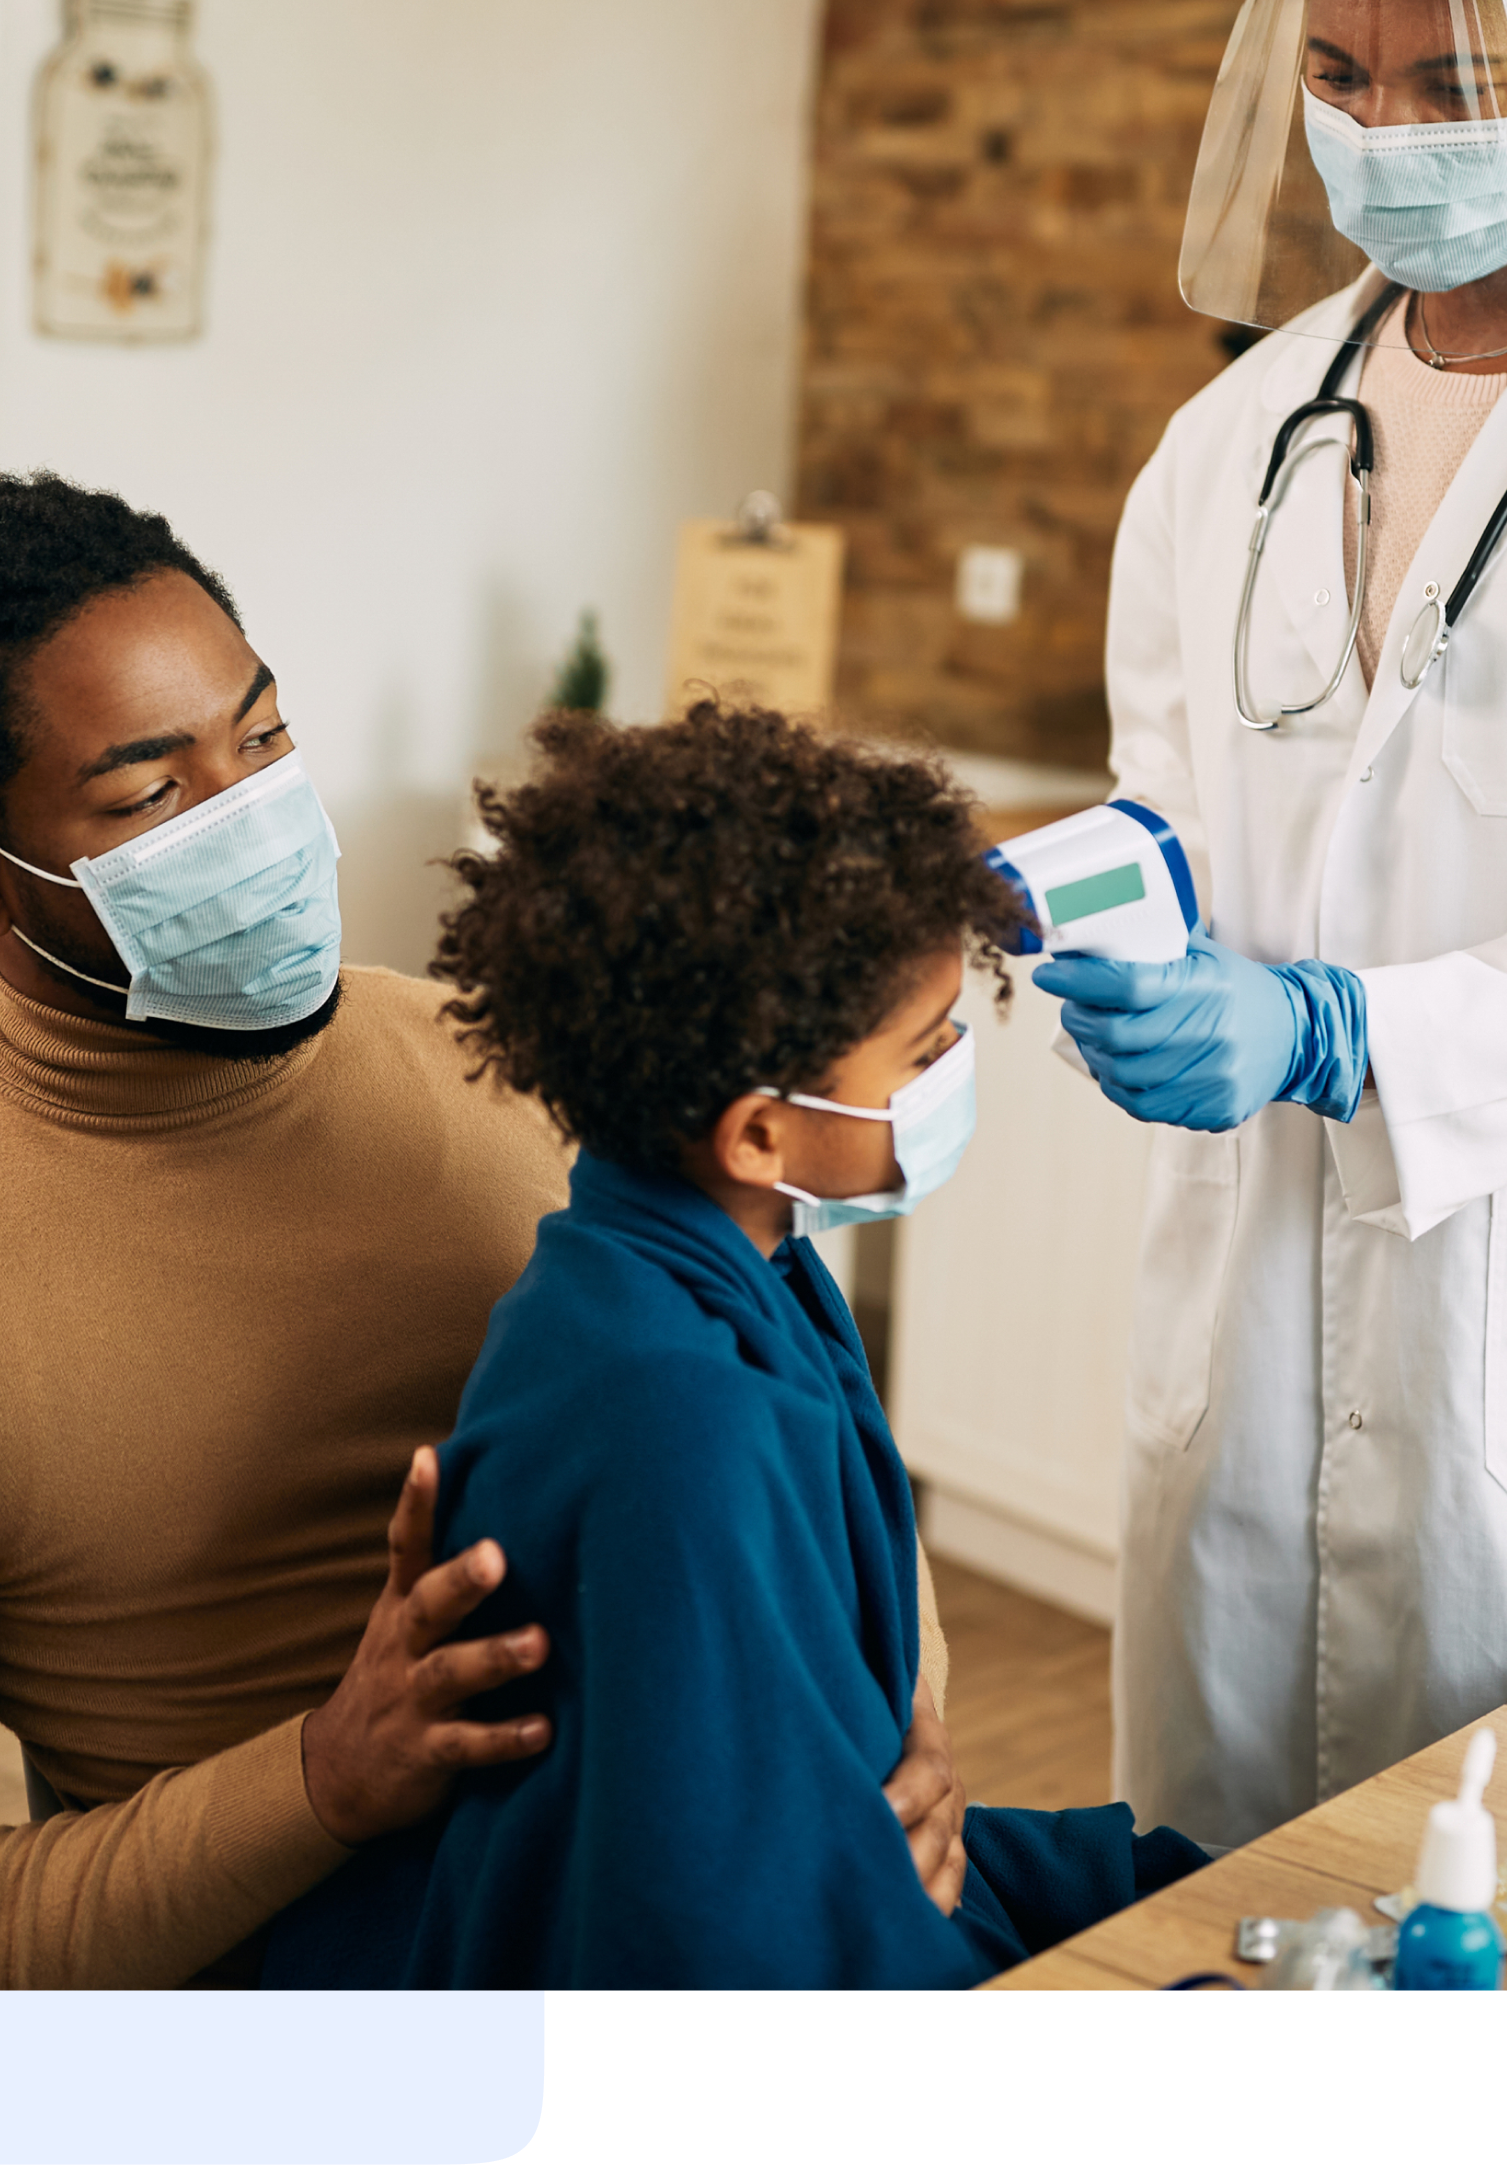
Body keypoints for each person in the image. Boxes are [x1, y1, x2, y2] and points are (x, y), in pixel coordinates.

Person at [0, 473, 962, 1985]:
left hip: (737, 1886)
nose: (255, 820)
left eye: (266, 738)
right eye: (153, 795)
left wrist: (900, 1724)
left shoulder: (521, 1062)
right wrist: (319, 1778)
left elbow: (788, 1409)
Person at [1034, 0, 1507, 1847]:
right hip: (1238, 1360)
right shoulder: (1227, 442)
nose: (1379, 126)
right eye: (1342, 69)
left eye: (1446, 70)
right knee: (1199, 1874)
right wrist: (1095, 899)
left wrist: (1324, 1028)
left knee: (1502, 1880)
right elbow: (1173, 803)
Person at [261, 704, 1207, 1989]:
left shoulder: (715, 1269)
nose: (952, 1070)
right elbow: (720, 1928)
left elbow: (825, 1755)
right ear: (760, 1136)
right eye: (923, 1051)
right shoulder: (676, 1418)